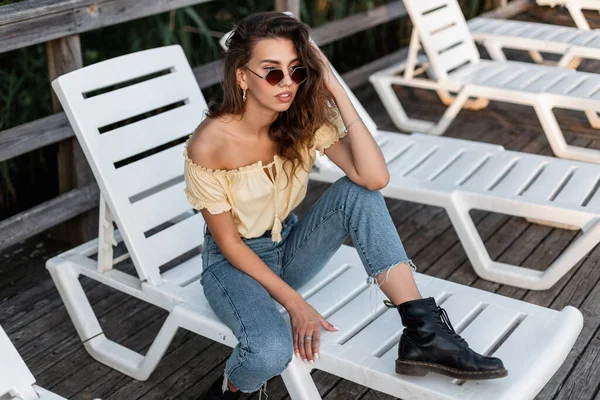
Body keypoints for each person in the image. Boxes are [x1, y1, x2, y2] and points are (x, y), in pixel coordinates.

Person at [183, 11, 507, 400]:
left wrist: (335, 88)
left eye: (297, 71)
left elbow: (374, 179)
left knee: (358, 194)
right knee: (269, 351)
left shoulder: (301, 118)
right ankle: (228, 392)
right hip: (232, 264)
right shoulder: (210, 143)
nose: (287, 84)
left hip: (288, 247)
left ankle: (424, 332)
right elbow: (232, 246)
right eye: (272, 72)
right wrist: (296, 304)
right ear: (241, 76)